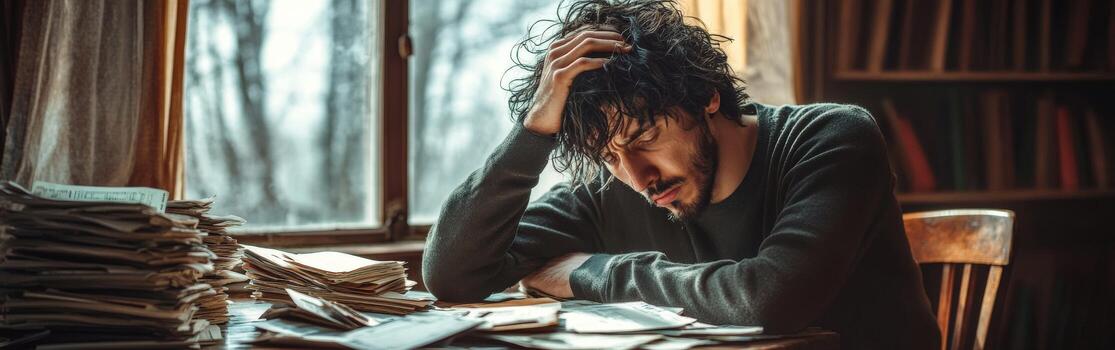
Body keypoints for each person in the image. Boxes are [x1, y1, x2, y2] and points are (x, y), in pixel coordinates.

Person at [422, 0, 939, 348]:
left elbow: (767, 299)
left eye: (644, 140)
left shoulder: (831, 137)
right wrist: (534, 128)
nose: (636, 174)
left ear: (706, 96)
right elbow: (451, 272)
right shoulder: (615, 183)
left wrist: (587, 273)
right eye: (607, 157)